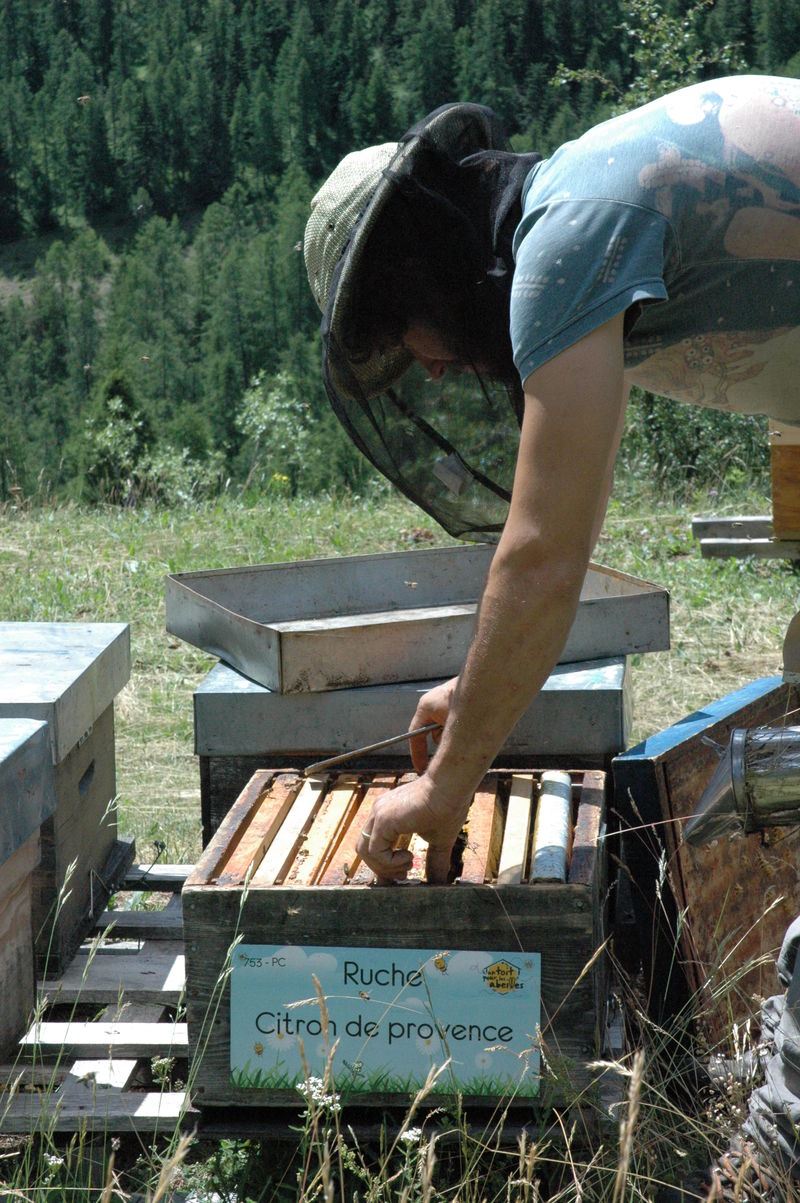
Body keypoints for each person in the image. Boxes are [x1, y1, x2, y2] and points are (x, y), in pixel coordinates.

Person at [303, 75, 800, 887]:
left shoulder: (568, 239)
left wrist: (443, 783)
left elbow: (544, 556)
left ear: (420, 271)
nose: (427, 370)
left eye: (400, 330)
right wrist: (472, 699)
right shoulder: (582, 199)